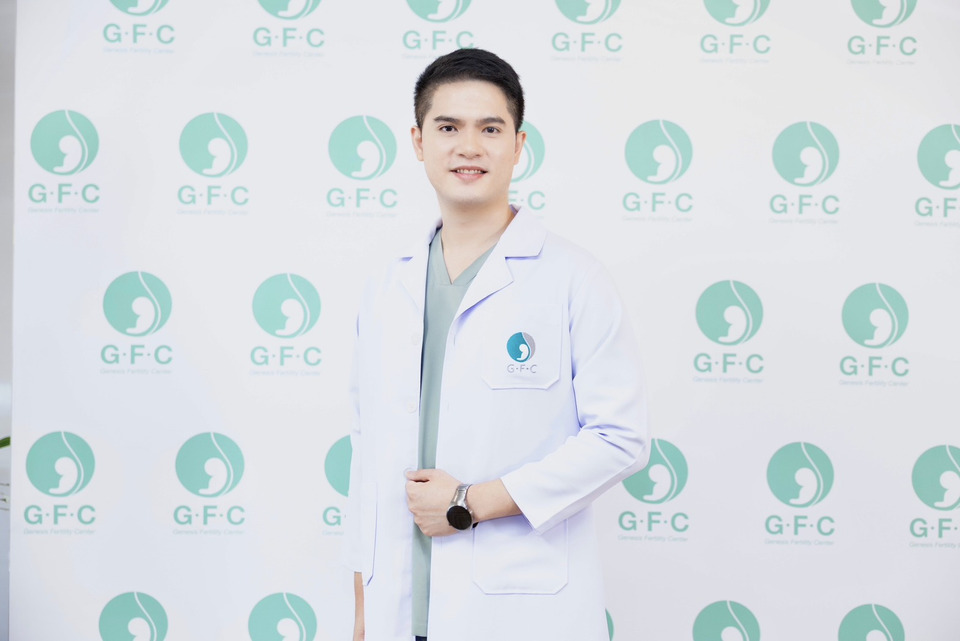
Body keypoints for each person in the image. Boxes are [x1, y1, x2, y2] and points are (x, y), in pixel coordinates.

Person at [343, 48, 648, 641]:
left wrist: (471, 502)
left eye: (490, 129)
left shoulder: (573, 278)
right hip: (396, 613)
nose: (469, 146)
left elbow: (621, 439)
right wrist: (362, 609)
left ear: (518, 143)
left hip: (516, 610)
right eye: (448, 128)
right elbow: (367, 458)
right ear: (418, 141)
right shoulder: (386, 286)